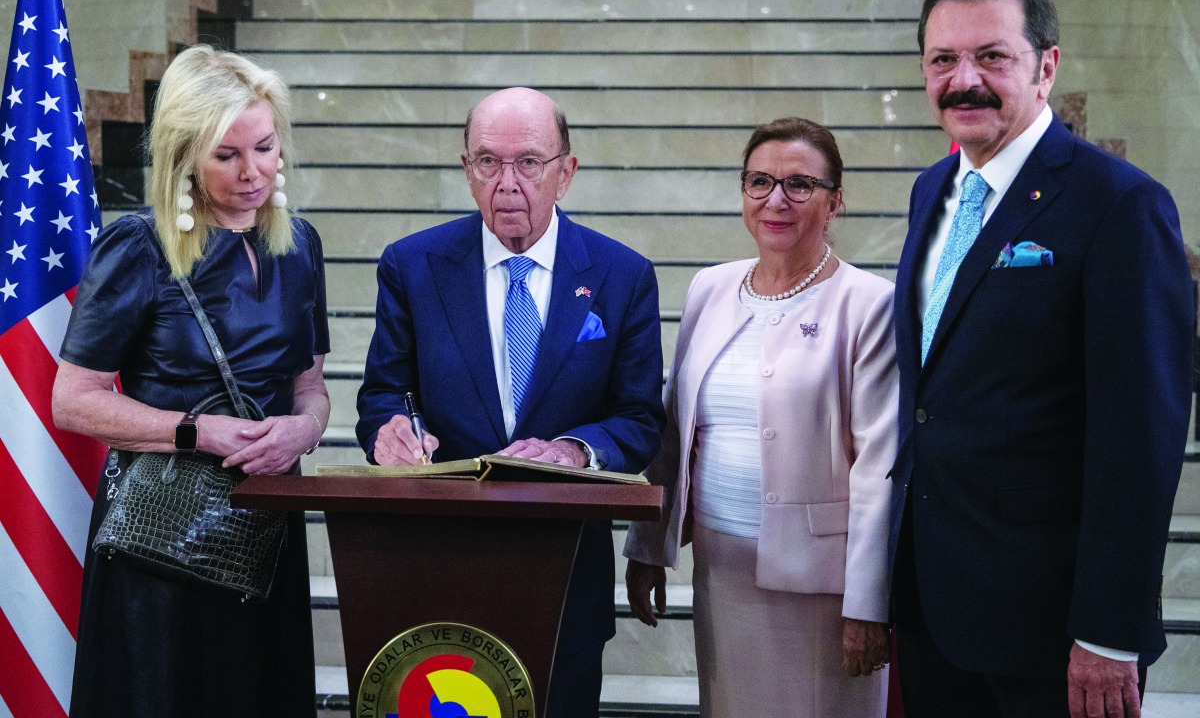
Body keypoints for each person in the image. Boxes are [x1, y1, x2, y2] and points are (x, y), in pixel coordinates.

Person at [889, 0, 1193, 718]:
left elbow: (1141, 435)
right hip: (935, 609)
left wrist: (1109, 629)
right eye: (942, 60)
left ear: (1046, 66)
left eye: (992, 57)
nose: (964, 81)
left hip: (1055, 633)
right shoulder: (932, 191)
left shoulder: (1120, 205)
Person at [355, 86, 666, 718]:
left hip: (564, 570)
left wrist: (575, 451)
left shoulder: (622, 275)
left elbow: (639, 419)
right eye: (487, 162)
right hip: (437, 560)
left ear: (566, 172)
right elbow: (383, 393)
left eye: (528, 162)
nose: (506, 182)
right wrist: (389, 431)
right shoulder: (413, 265)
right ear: (466, 169)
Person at [53, 45, 329, 718]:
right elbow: (72, 401)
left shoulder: (301, 246)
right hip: (161, 546)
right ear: (183, 157)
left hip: (265, 531)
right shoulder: (139, 247)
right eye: (226, 155)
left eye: (264, 147)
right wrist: (192, 430)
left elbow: (311, 390)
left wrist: (302, 430)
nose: (253, 171)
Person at [623, 117, 896, 717]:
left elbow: (881, 466)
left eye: (800, 184)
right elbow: (674, 432)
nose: (776, 199)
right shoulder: (710, 289)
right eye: (760, 182)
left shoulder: (869, 303)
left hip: (825, 586)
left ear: (835, 202)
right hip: (721, 569)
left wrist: (869, 602)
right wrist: (649, 542)